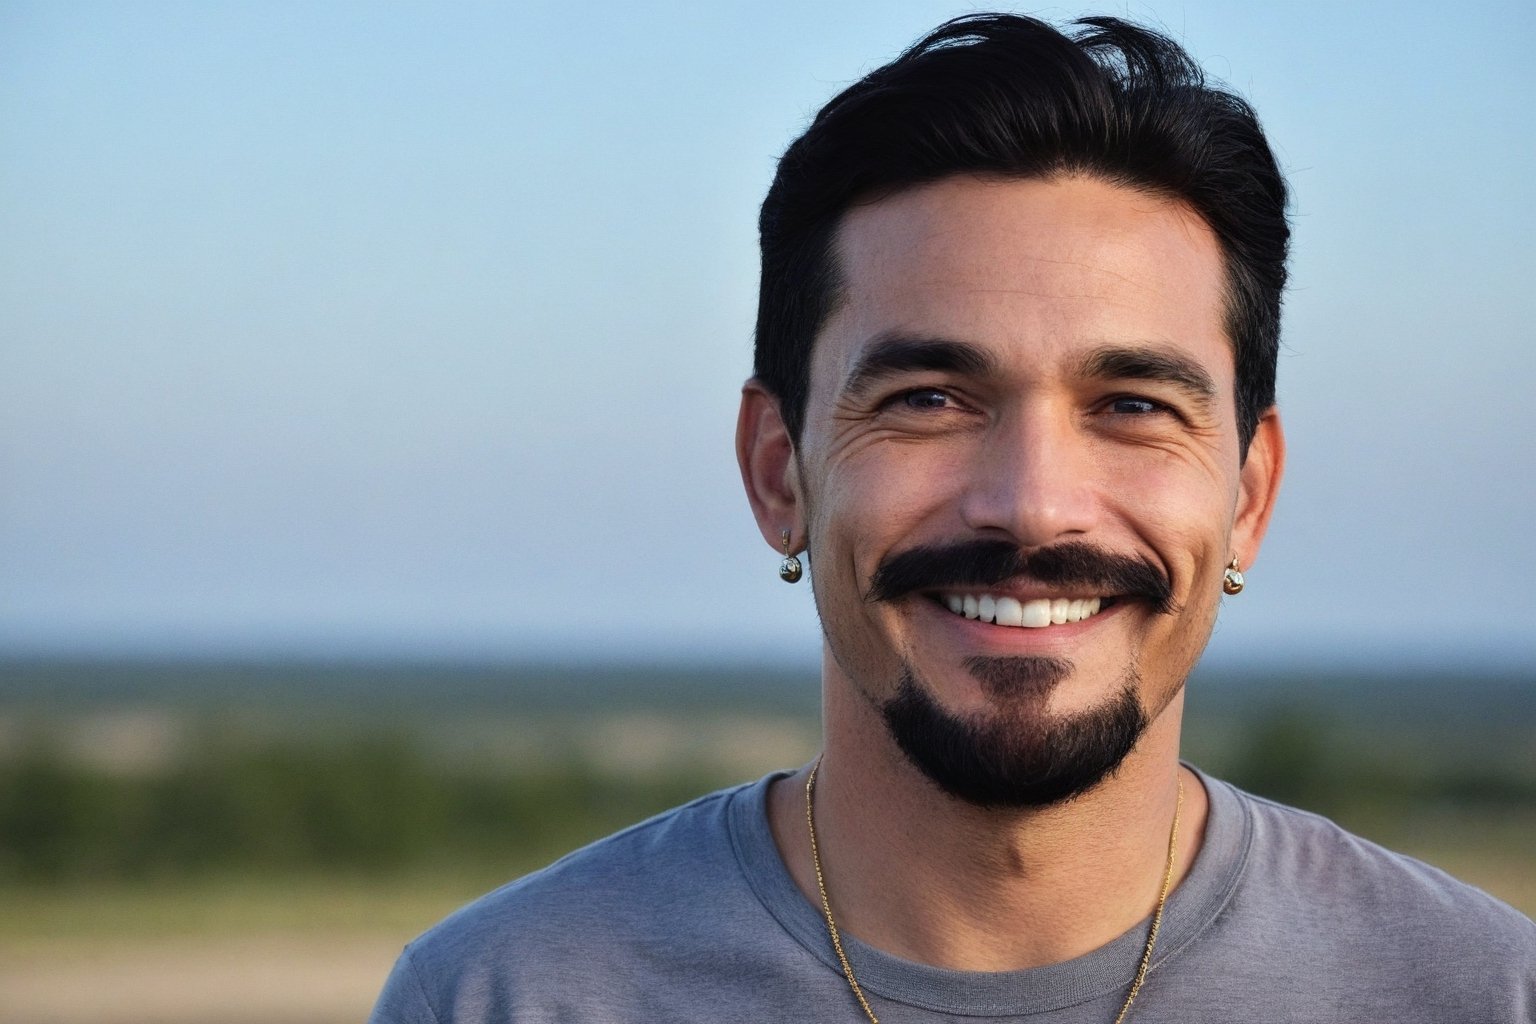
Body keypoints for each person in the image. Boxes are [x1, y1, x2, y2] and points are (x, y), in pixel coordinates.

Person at [370, 14, 1535, 1022]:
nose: (1031, 500)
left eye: (1132, 404)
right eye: (929, 399)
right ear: (780, 472)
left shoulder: (1483, 993)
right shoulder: (505, 996)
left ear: (1247, 496)